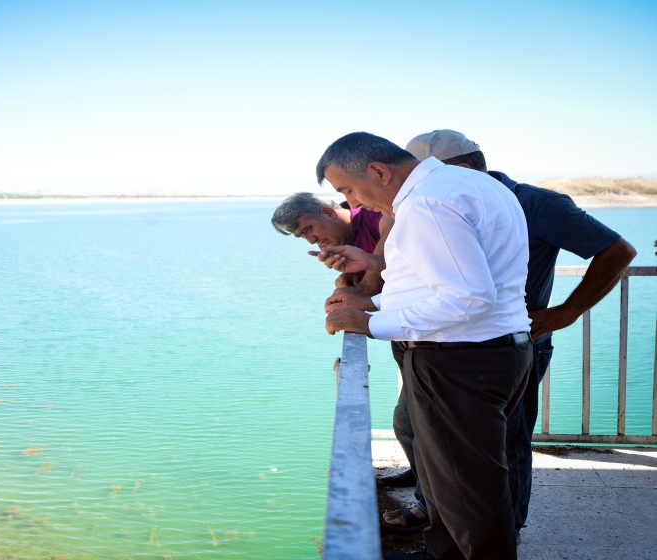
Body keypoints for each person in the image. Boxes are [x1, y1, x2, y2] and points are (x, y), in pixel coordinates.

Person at [369, 130, 637, 541]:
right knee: (421, 431)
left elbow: (618, 250)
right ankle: (442, 519)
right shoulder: (433, 202)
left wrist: (566, 312)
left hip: (503, 346)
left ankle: (500, 529)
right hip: (445, 348)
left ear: (453, 167)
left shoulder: (536, 202)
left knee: (503, 446)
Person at [318, 131, 533, 560]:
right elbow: (442, 279)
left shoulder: (425, 204)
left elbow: (468, 297)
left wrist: (370, 324)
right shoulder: (471, 184)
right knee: (449, 484)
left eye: (347, 189)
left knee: (471, 497)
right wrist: (376, 300)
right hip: (493, 353)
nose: (353, 202)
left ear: (379, 171)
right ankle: (442, 554)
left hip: (460, 362)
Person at [270, 192, 392, 288]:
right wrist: (350, 279)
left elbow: (392, 225)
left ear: (328, 212)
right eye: (300, 236)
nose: (311, 241)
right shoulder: (325, 242)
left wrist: (364, 289)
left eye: (307, 230)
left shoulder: (371, 211)